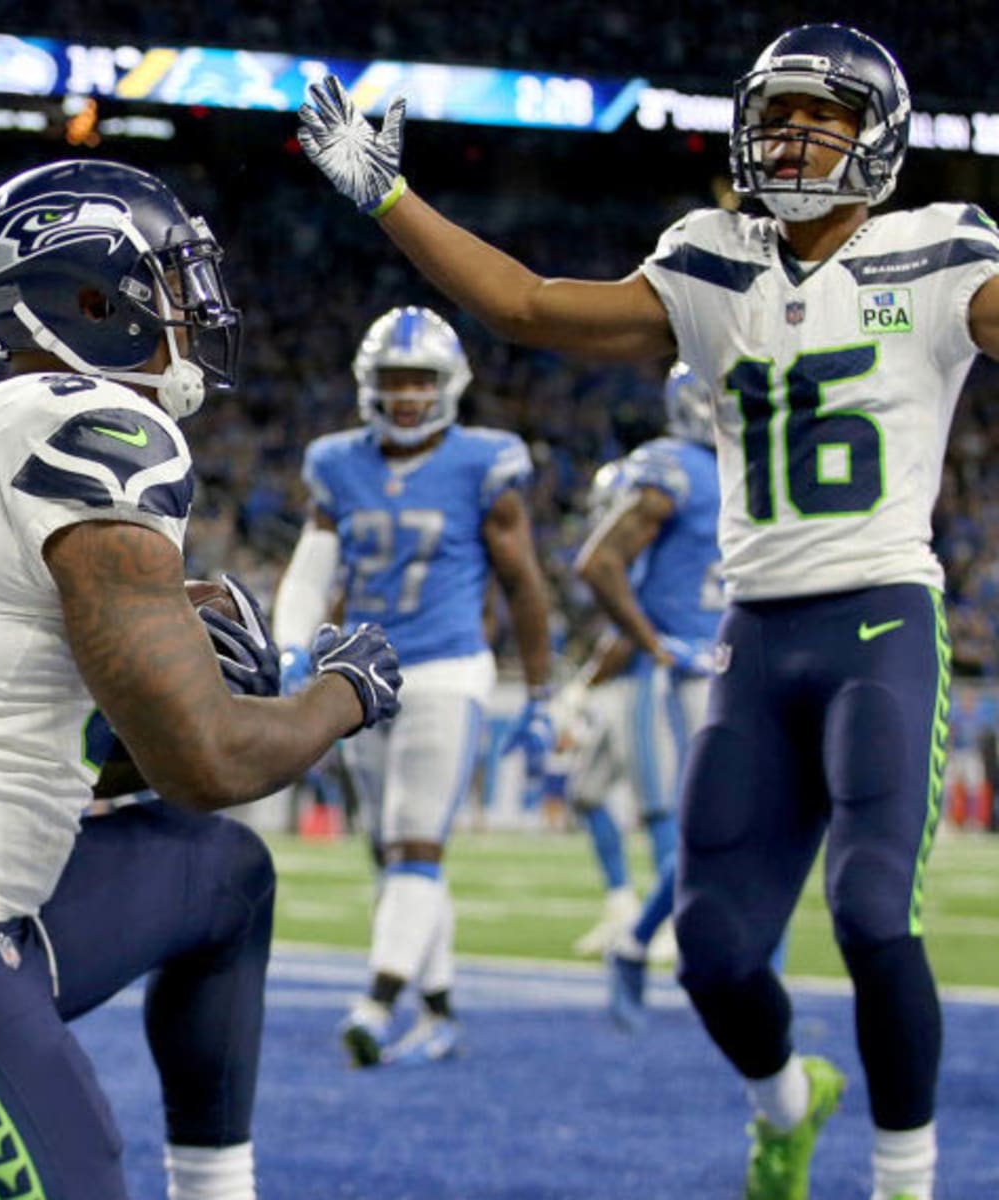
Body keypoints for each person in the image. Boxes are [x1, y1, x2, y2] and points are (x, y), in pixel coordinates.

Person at [296, 23, 999, 1199]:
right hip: (754, 635)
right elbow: (523, 303)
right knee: (715, 956)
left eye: (821, 118)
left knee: (875, 913)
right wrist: (390, 199)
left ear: (876, 138)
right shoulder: (708, 260)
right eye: (777, 114)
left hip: (882, 617)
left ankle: (904, 1179)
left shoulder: (941, 251)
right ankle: (786, 1101)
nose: (792, 137)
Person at [0, 158, 403, 1200]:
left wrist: (160, 657)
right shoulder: (101, 429)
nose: (197, 306)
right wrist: (342, 691)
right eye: (173, 278)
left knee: (223, 877)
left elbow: (21, 719)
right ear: (91, 299)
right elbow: (206, 761)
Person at [273, 304, 553, 1067]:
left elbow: (525, 584)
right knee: (387, 851)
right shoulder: (336, 462)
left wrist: (540, 692)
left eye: (420, 380)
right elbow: (314, 562)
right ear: (370, 385)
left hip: (445, 666)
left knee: (415, 840)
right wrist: (295, 648)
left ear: (449, 385)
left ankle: (377, 1003)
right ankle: (439, 1009)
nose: (406, 396)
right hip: (361, 674)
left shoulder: (485, 463)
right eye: (394, 380)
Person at [567, 362, 723, 1031]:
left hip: (733, 661)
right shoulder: (673, 467)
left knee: (740, 826)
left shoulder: (757, 461)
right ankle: (649, 933)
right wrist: (653, 644)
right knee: (693, 822)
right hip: (678, 668)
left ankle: (644, 936)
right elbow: (602, 563)